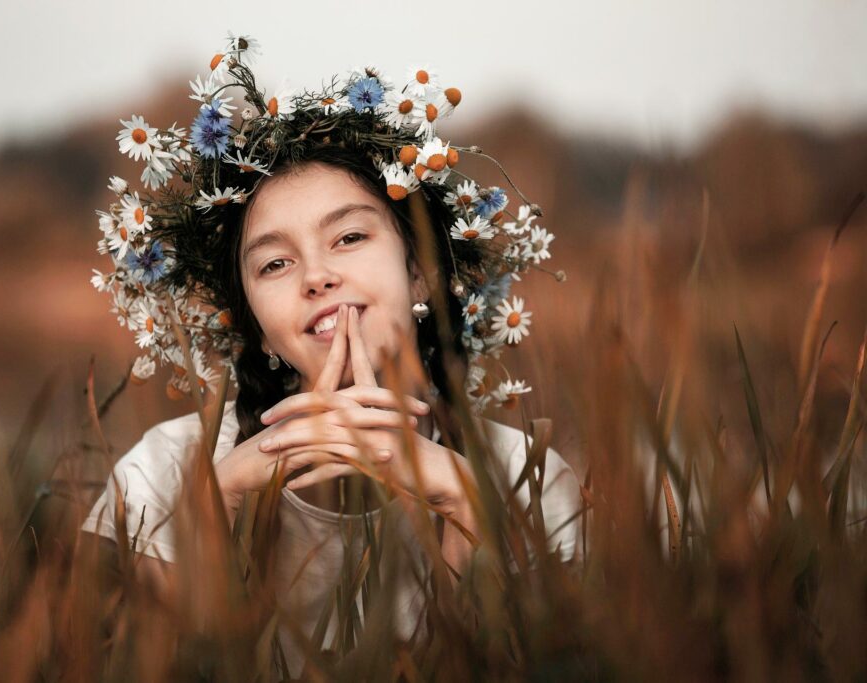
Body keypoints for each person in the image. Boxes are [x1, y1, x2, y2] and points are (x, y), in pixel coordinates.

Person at [82, 33, 582, 676]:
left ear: (421, 272)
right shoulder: (166, 468)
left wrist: (466, 502)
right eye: (276, 262)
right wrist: (219, 497)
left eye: (348, 236)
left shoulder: (526, 477)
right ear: (257, 328)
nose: (315, 276)